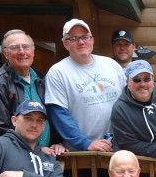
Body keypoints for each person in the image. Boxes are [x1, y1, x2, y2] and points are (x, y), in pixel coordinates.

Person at [0, 29, 66, 157]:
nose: (22, 52)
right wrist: (34, 150)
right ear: (5, 53)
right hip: (13, 160)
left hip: (48, 157)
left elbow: (54, 113)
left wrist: (58, 142)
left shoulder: (43, 80)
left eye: (26, 47)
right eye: (14, 48)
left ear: (33, 52)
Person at [44, 19, 125, 152]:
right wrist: (85, 143)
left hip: (117, 148)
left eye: (85, 37)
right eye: (74, 38)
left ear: (92, 40)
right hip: (82, 154)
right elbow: (59, 114)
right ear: (65, 44)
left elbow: (127, 101)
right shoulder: (57, 72)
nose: (81, 42)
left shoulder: (111, 65)